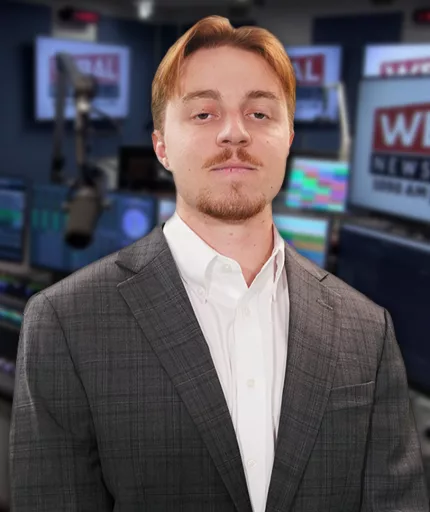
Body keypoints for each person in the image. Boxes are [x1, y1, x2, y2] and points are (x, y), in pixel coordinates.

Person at [9, 15, 429, 512]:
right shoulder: (64, 323)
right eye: (204, 114)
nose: (235, 133)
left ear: (288, 135)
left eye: (259, 114)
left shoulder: (366, 328)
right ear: (161, 145)